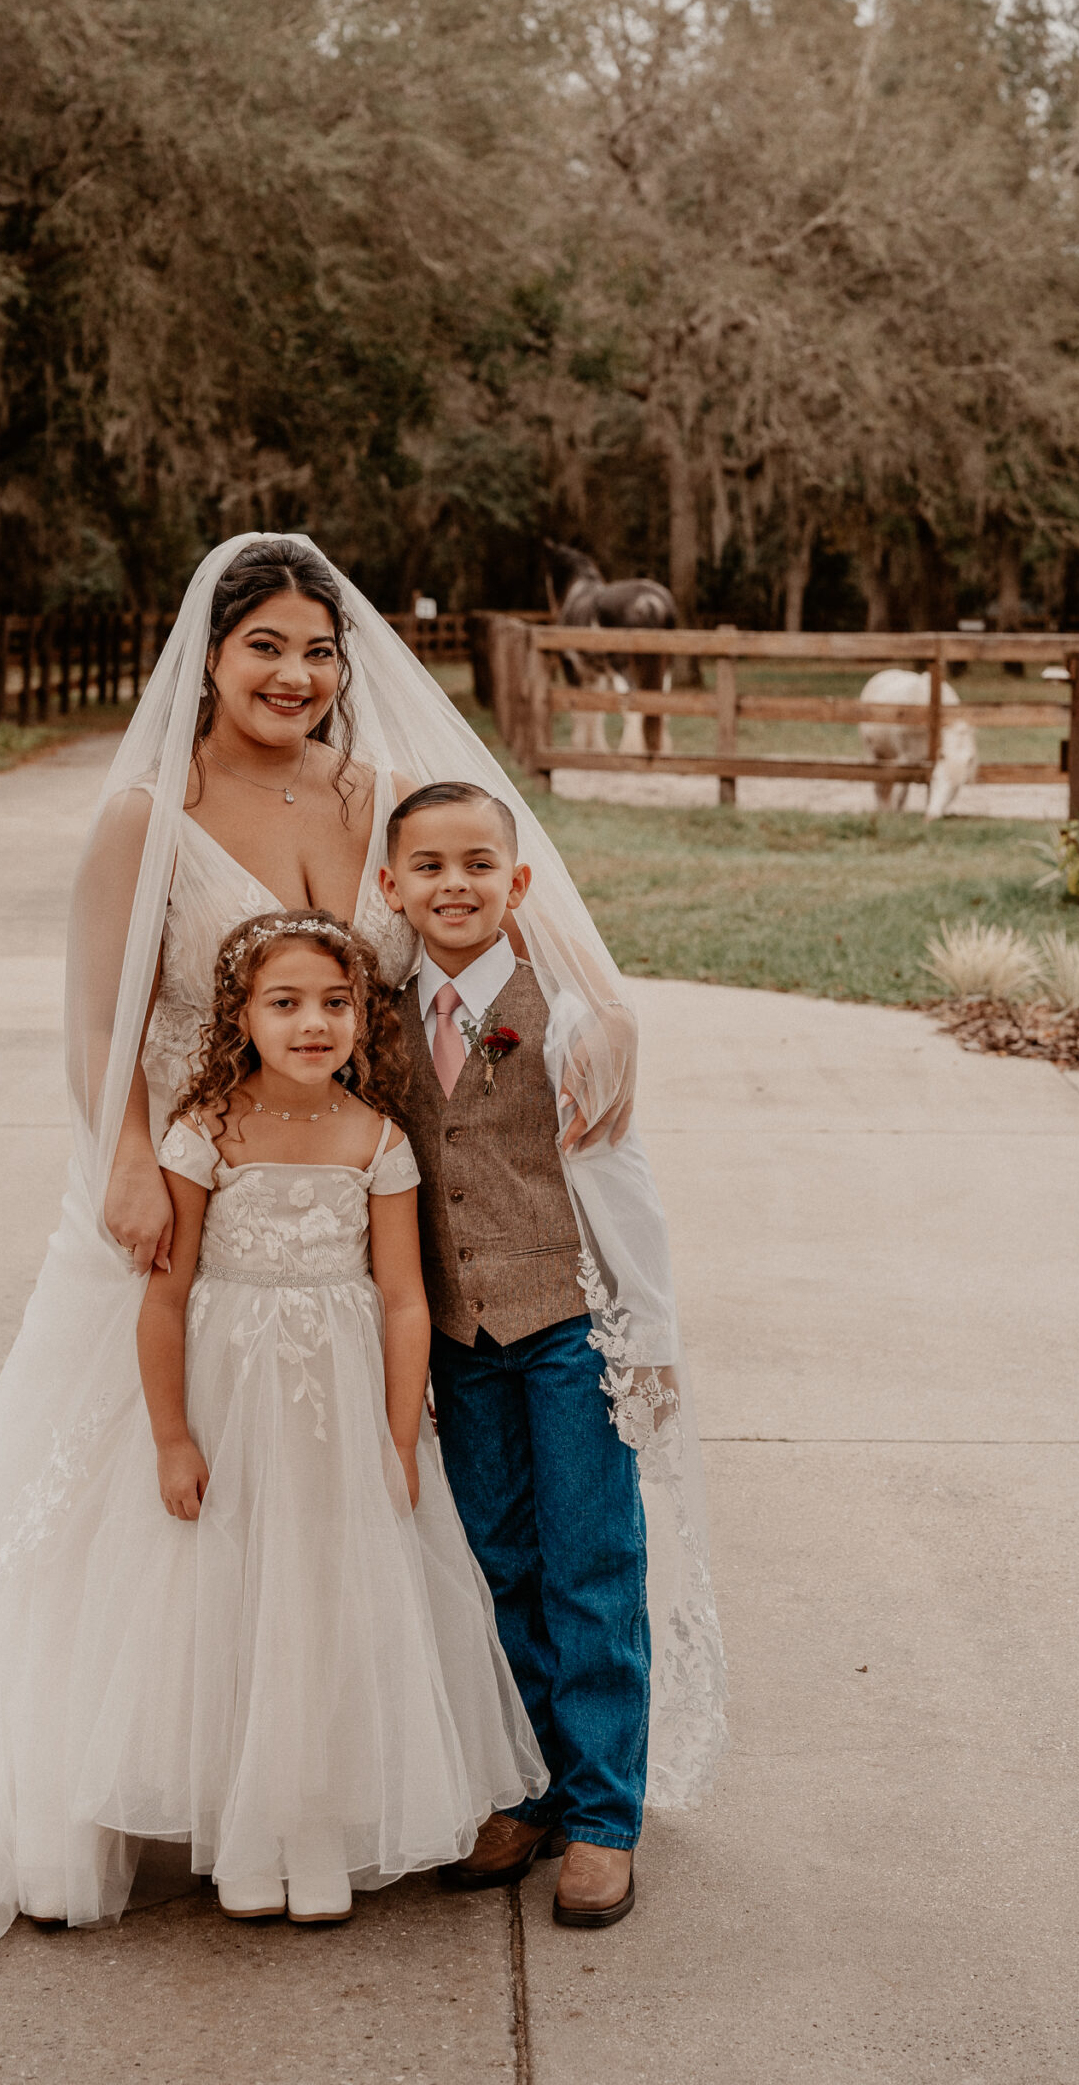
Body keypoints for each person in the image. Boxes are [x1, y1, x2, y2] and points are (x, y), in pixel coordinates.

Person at [0, 533, 722, 2012]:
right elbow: (96, 1025)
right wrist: (127, 1158)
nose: (298, 675)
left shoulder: (381, 799)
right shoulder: (147, 817)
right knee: (167, 1499)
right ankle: (144, 1776)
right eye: (268, 648)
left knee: (379, 1505)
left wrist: (610, 1005)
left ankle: (406, 1779)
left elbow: (498, 902)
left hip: (383, 1222)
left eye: (321, 650)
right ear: (211, 653)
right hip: (195, 1200)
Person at [108, 907, 540, 1924]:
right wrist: (174, 1436)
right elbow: (163, 1298)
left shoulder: (377, 1136)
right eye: (286, 1002)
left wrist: (396, 1440)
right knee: (243, 1599)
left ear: (361, 1017)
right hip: (233, 1400)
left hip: (339, 1413)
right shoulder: (203, 1130)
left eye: (336, 1002)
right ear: (241, 1015)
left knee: (328, 1601)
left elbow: (401, 1299)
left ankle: (318, 1828)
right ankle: (246, 1830)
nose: (314, 1022)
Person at [380, 782, 652, 1929]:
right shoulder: (378, 1017)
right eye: (429, 865)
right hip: (454, 1333)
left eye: (478, 864)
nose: (454, 884)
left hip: (565, 1320)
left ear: (518, 883)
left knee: (588, 1558)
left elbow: (624, 1186)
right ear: (389, 887)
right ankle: (530, 1780)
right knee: (495, 1554)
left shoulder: (573, 1015)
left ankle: (602, 1812)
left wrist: (649, 1333)